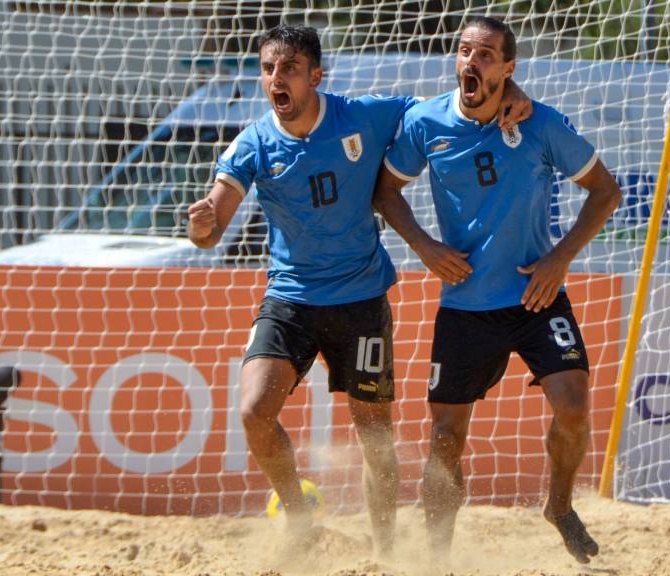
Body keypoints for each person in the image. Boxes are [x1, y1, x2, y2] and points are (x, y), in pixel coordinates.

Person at [186, 25, 531, 558]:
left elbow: (454, 106)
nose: (277, 79)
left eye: (290, 69)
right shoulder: (253, 141)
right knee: (255, 411)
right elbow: (211, 226)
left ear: (315, 77)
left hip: (360, 301)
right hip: (291, 298)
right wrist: (203, 224)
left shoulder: (365, 115)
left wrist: (511, 93)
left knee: (376, 441)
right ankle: (300, 520)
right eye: (269, 69)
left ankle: (385, 553)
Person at [372, 16, 622, 565]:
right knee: (445, 435)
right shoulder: (425, 122)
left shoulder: (539, 123)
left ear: (508, 69)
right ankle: (436, 558)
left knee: (575, 404)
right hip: (465, 304)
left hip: (537, 294)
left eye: (486, 55)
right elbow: (386, 191)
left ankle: (558, 507)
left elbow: (606, 192)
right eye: (464, 51)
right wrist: (424, 247)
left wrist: (560, 258)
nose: (470, 62)